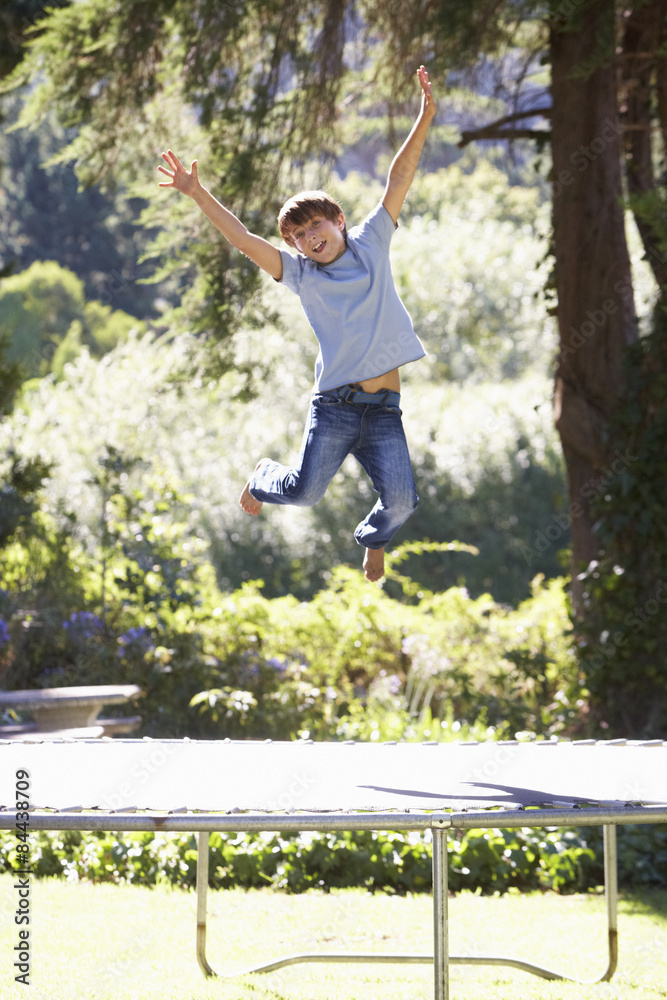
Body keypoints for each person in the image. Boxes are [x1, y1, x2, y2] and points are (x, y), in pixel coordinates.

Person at [159, 65, 436, 582]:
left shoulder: (373, 243)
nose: (310, 238)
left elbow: (398, 177)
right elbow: (244, 240)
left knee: (402, 502)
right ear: (293, 247)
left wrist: (423, 116)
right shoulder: (301, 276)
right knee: (305, 494)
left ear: (339, 222)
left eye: (317, 226)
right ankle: (264, 478)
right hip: (334, 408)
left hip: (383, 410)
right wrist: (198, 195)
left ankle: (373, 538)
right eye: (299, 235)